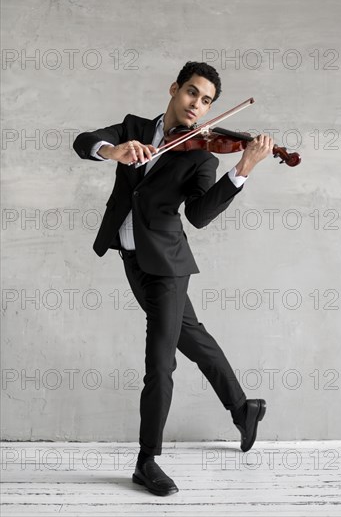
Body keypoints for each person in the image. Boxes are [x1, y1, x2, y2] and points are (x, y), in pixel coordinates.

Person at [73, 61, 273, 496]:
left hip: (167, 268)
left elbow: (199, 216)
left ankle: (148, 460)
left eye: (206, 102)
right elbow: (84, 141)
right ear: (174, 89)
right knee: (192, 336)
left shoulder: (202, 155)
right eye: (191, 94)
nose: (196, 106)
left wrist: (243, 169)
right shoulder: (133, 127)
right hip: (132, 259)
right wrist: (113, 151)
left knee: (159, 362)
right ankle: (243, 408)